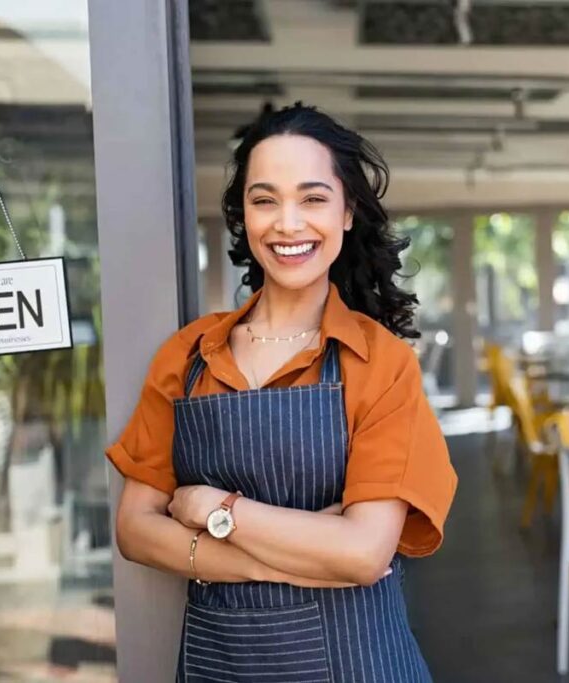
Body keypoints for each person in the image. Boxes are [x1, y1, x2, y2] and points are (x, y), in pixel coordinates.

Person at [106, 103, 458, 682]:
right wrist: (303, 558)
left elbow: (364, 553)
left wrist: (211, 510)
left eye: (313, 199)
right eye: (264, 199)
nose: (287, 223)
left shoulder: (380, 363)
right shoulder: (187, 357)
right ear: (243, 216)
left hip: (360, 665)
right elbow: (135, 529)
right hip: (222, 667)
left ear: (347, 213)